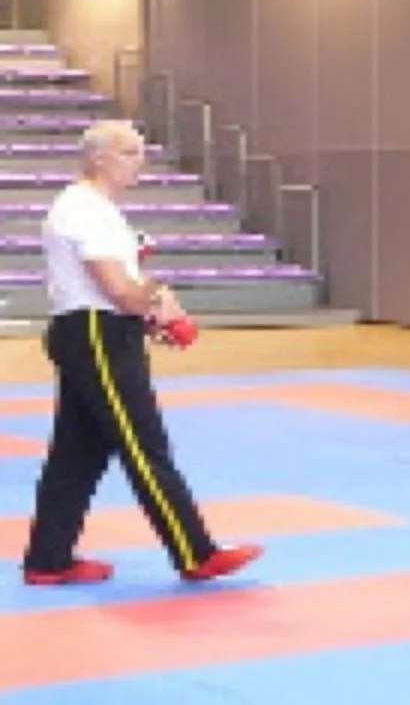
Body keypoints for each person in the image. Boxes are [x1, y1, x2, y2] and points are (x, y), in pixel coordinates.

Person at [20, 119, 263, 585]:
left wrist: (151, 313)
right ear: (98, 158)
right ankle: (195, 552)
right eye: (129, 152)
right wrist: (158, 300)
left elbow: (122, 292)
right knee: (143, 445)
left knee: (77, 453)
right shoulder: (84, 209)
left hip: (95, 331)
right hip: (97, 333)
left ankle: (47, 560)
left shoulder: (98, 211)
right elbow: (120, 291)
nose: (141, 162)